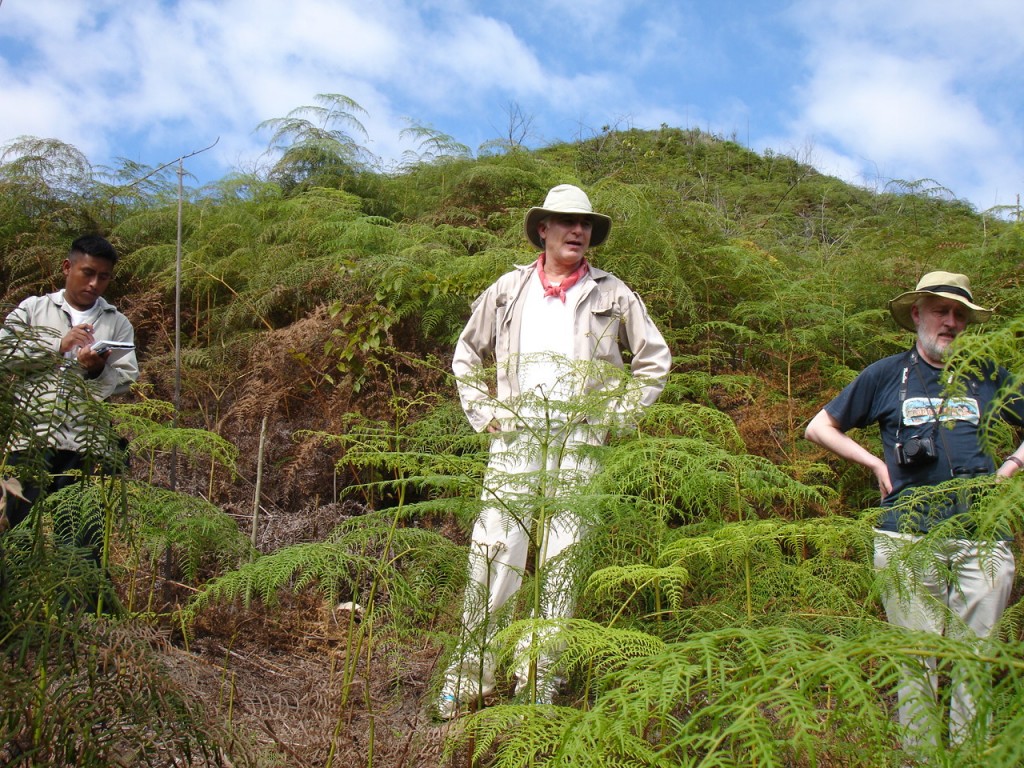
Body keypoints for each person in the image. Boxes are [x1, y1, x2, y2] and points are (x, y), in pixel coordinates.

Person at [439, 184, 672, 719]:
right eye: (566, 222)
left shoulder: (613, 294)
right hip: (515, 437)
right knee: (496, 551)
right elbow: (466, 353)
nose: (577, 231)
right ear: (542, 229)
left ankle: (540, 675)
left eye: (585, 224)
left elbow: (654, 360)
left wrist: (616, 417)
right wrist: (485, 411)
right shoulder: (507, 290)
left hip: (580, 440)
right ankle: (471, 676)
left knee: (564, 557)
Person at [804, 271, 1024, 746]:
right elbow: (818, 427)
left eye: (959, 314)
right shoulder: (886, 374)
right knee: (914, 659)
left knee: (976, 662)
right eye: (940, 311)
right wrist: (874, 464)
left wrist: (1008, 469)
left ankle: (968, 757)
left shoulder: (987, 376)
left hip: (983, 538)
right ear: (917, 315)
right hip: (906, 537)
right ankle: (921, 757)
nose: (950, 321)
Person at [1, 235, 138, 574]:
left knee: (81, 545)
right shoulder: (34, 310)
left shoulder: (116, 322)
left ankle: (82, 620)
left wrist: (97, 369)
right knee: (13, 535)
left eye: (103, 277)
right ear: (67, 267)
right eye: (87, 273)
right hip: (29, 441)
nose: (94, 284)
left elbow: (125, 378)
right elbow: (4, 354)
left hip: (84, 447)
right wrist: (57, 345)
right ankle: (15, 614)